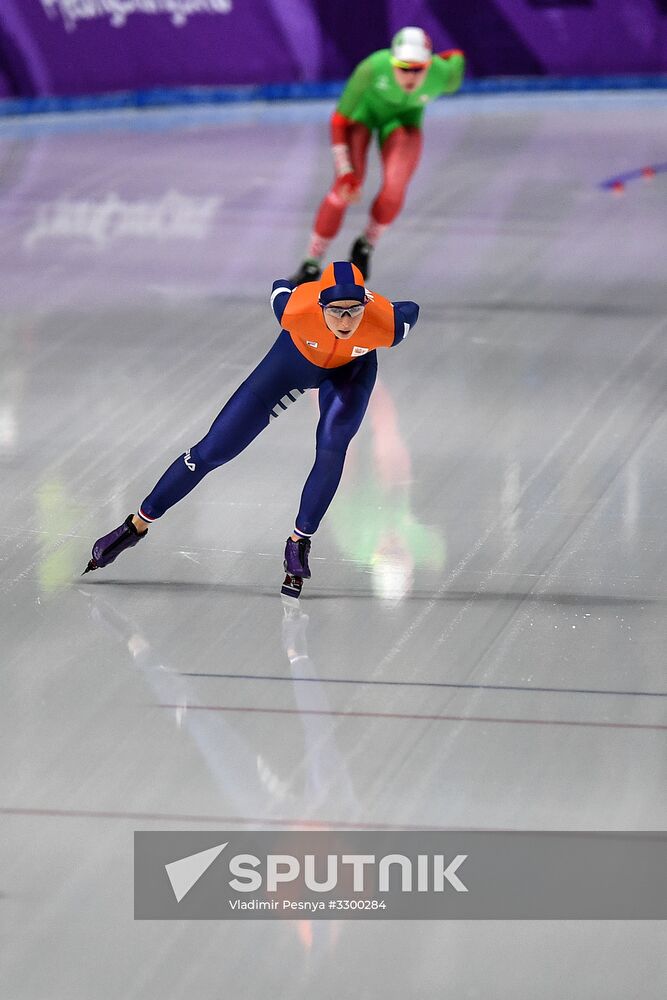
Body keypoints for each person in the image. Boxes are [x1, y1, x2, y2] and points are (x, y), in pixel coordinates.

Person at [84, 261, 419, 598]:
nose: (346, 322)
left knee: (333, 446)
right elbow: (279, 287)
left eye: (354, 311)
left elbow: (411, 309)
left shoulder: (385, 324)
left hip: (350, 373)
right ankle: (136, 525)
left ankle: (298, 541)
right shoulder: (296, 308)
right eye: (336, 311)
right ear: (320, 305)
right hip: (291, 363)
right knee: (213, 450)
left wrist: (375, 305)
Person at [290, 26, 465, 285]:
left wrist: (447, 56)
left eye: (418, 68)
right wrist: (345, 170)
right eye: (403, 67)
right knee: (343, 191)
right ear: (392, 62)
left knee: (395, 190)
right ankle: (311, 263)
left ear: (430, 64)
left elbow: (456, 57)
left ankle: (366, 245)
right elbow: (339, 120)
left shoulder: (445, 75)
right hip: (361, 118)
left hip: (403, 123)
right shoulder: (371, 68)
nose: (410, 75)